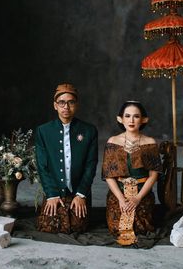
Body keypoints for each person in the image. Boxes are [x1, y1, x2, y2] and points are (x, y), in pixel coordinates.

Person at [35, 83, 98, 234]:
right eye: (62, 102)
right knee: (48, 226)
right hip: (55, 192)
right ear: (55, 105)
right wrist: (51, 194)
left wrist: (82, 194)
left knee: (78, 227)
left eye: (71, 102)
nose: (66, 107)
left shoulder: (89, 130)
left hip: (78, 192)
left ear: (76, 105)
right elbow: (42, 166)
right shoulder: (43, 131)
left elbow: (91, 165)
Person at [102, 101, 163, 246]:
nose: (131, 120)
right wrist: (121, 199)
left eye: (136, 116)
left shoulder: (149, 142)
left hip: (142, 193)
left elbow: (153, 175)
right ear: (120, 119)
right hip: (119, 193)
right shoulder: (113, 141)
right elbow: (109, 176)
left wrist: (137, 198)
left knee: (141, 228)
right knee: (116, 228)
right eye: (127, 116)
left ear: (143, 120)